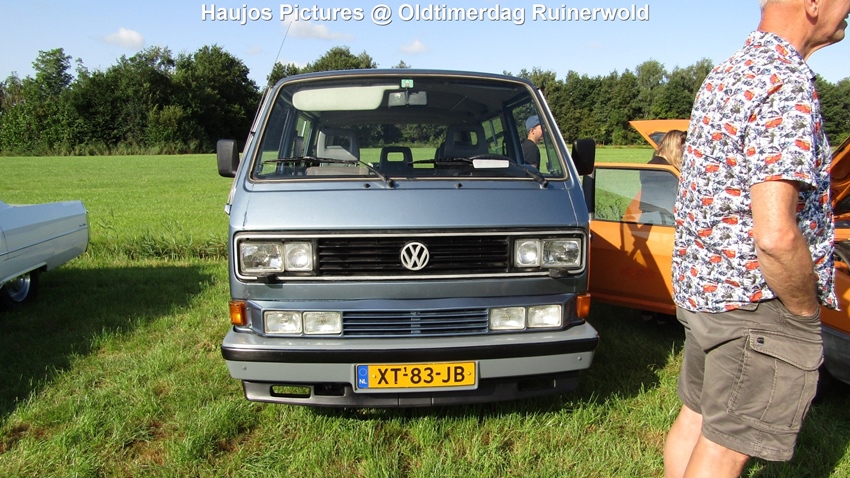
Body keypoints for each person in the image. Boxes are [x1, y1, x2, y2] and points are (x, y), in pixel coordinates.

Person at [665, 1, 849, 477]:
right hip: (756, 302)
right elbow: (775, 234)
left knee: (697, 418)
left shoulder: (728, 71)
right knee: (725, 448)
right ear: (813, 4)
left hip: (703, 293)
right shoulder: (786, 83)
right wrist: (804, 311)